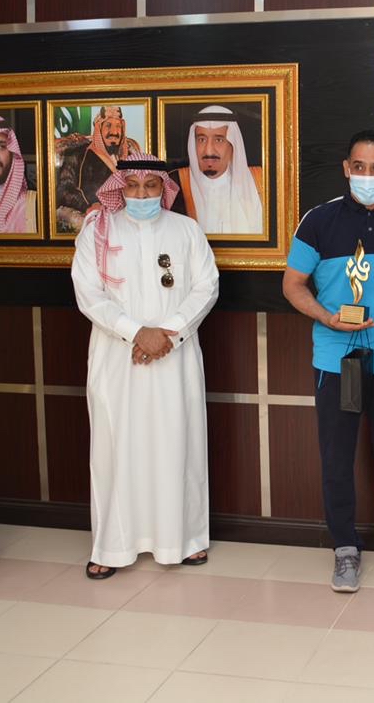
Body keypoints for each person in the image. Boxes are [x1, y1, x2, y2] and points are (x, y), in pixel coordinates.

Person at [281, 130, 374, 592]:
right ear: (346, 168)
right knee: (337, 459)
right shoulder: (318, 222)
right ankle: (344, 549)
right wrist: (326, 317)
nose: (367, 175)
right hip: (336, 359)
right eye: (359, 167)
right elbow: (292, 285)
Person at [71, 154, 220, 578]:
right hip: (117, 358)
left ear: (163, 189)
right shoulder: (97, 232)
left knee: (177, 443)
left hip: (175, 355)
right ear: (119, 188)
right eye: (132, 186)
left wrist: (168, 333)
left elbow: (206, 287)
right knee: (115, 448)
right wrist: (136, 332)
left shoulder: (186, 230)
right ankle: (112, 545)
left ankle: (184, 539)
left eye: (150, 186)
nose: (141, 194)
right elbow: (88, 294)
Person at [170, 105, 265, 235]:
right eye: (201, 140)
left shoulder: (260, 182)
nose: (209, 150)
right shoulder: (176, 184)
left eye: (219, 140)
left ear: (233, 144)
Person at [56, 106, 142, 233]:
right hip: (94, 217)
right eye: (108, 125)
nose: (114, 132)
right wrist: (88, 207)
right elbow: (64, 189)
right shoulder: (78, 154)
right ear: (99, 128)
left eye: (118, 126)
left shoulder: (130, 156)